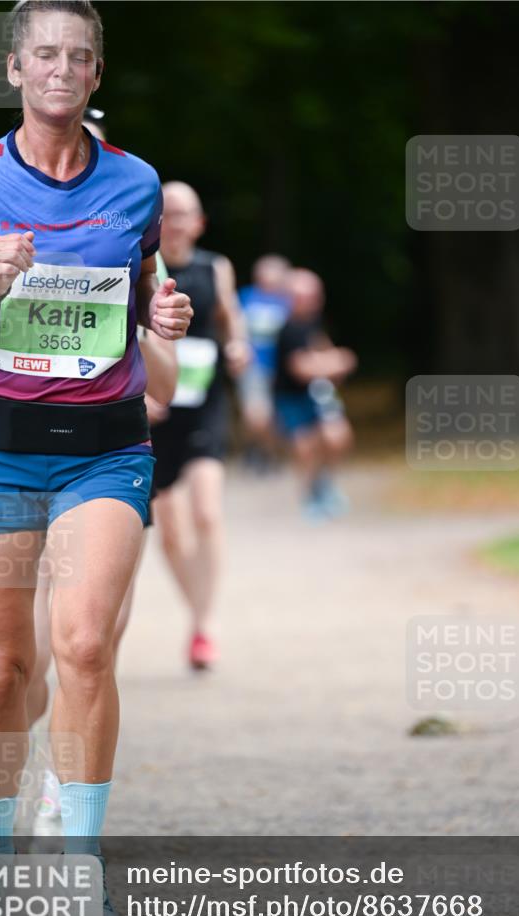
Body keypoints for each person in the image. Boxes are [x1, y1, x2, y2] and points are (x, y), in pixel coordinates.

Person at [0, 0, 192, 916]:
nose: (60, 69)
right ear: (13, 69)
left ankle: (77, 876)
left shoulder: (136, 184)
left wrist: (161, 323)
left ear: (94, 76)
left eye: (78, 56)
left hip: (105, 446)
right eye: (44, 52)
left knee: (84, 647)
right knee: (6, 669)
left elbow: (136, 300)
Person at [149, 181, 250, 669]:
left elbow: (232, 318)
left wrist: (238, 346)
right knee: (170, 530)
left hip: (205, 402)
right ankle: (196, 612)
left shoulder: (216, 267)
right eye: (165, 214)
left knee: (207, 512)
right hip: (156, 409)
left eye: (184, 214)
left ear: (200, 222)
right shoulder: (142, 266)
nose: (175, 223)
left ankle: (203, 626)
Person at [273, 268, 356, 521]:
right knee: (305, 446)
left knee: (338, 436)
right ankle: (309, 494)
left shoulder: (315, 323)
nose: (310, 301)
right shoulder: (289, 329)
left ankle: (325, 485)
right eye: (303, 296)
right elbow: (301, 369)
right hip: (291, 397)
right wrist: (332, 362)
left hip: (318, 394)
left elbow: (338, 360)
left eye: (313, 295)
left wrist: (328, 362)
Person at [237, 254, 291, 471]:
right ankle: (258, 448)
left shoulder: (291, 300)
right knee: (256, 414)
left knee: (276, 416)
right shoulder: (245, 297)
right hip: (253, 366)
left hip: (282, 368)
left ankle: (269, 452)